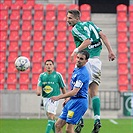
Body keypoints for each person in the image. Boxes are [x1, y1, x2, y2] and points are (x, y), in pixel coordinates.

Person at [67, 10, 116, 133]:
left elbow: (87, 40)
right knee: (94, 92)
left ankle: (79, 119)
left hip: (84, 61)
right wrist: (110, 51)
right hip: (96, 62)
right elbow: (103, 36)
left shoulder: (75, 28)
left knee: (77, 91)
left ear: (77, 19)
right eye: (67, 18)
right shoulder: (91, 24)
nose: (68, 20)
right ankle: (97, 119)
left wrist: (75, 50)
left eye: (70, 18)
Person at [51, 50, 90, 133]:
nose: (78, 60)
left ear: (86, 61)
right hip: (72, 100)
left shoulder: (83, 74)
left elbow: (75, 91)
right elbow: (73, 89)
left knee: (69, 130)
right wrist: (69, 98)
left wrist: (58, 97)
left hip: (79, 103)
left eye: (81, 59)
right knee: (57, 125)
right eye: (78, 57)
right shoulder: (77, 69)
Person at [36, 59, 67, 133]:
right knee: (51, 118)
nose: (48, 66)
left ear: (53, 66)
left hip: (54, 98)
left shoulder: (58, 75)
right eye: (47, 64)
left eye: (50, 64)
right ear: (45, 66)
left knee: (50, 115)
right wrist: (38, 91)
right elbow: (39, 85)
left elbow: (62, 87)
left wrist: (66, 98)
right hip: (45, 98)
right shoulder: (42, 76)